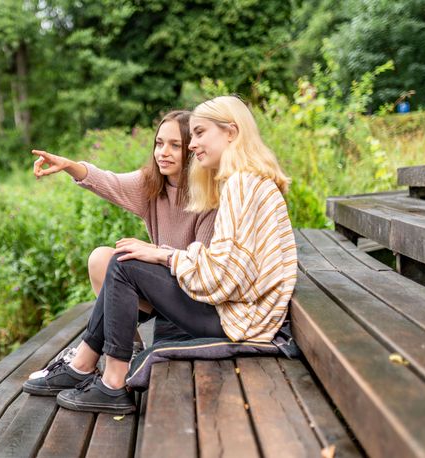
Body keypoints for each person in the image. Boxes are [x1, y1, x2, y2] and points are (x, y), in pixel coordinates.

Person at [25, 96, 296, 415]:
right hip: (242, 314)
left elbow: (221, 278)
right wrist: (160, 254)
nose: (193, 145)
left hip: (237, 321)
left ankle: (111, 384)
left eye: (198, 134)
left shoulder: (239, 186)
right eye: (189, 137)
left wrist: (162, 256)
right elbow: (228, 271)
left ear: (231, 133)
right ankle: (85, 367)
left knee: (124, 264)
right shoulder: (246, 181)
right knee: (123, 258)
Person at [21, 109, 217, 393]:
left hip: (194, 296)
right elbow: (107, 181)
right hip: (163, 286)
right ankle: (130, 347)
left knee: (126, 263)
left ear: (192, 149)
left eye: (175, 145)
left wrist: (154, 251)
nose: (164, 152)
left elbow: (203, 268)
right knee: (102, 258)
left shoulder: (208, 195)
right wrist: (69, 166)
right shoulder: (152, 185)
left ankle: (86, 365)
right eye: (159, 143)